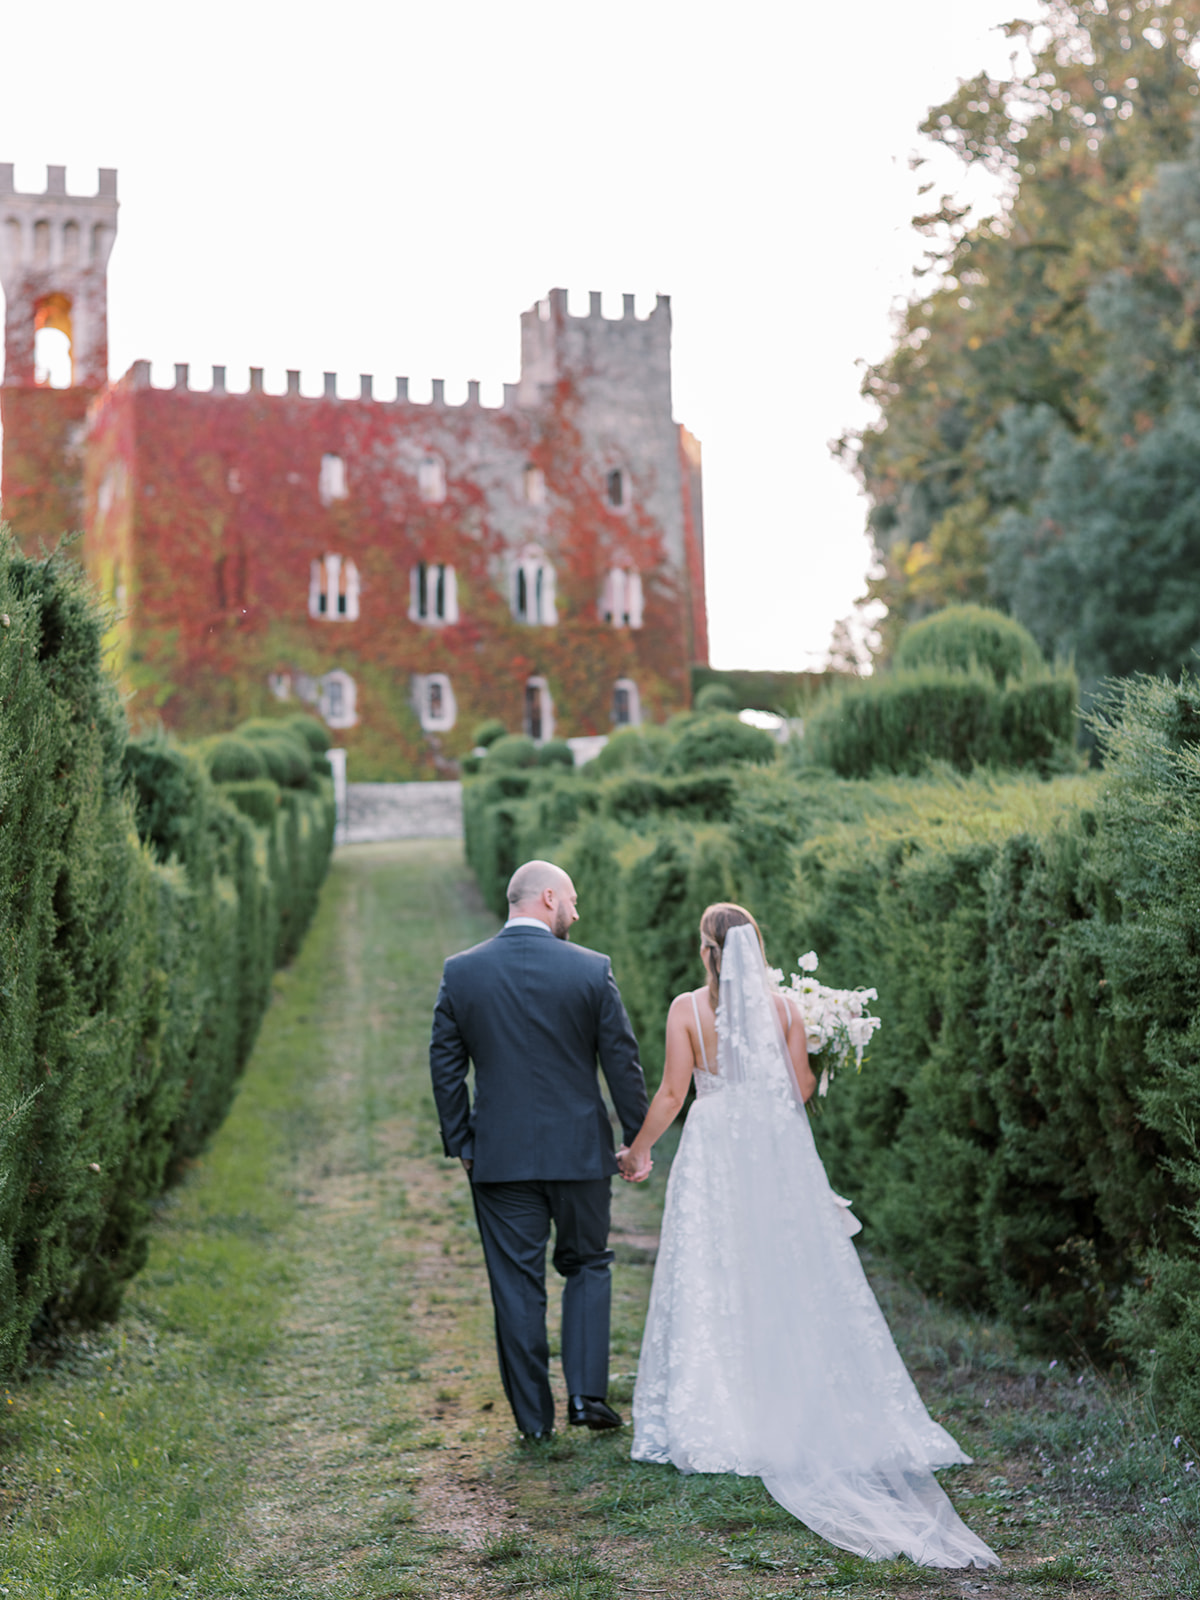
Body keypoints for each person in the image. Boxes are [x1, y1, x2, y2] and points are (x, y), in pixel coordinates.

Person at [620, 902, 999, 1570]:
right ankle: (792, 1399)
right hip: (768, 1152)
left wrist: (638, 1151)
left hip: (712, 1149)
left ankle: (722, 1410)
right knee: (779, 1274)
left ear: (709, 950)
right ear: (754, 947)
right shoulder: (789, 1010)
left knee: (713, 1275)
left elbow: (675, 1094)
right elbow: (795, 1090)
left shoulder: (687, 1009)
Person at [429, 859, 649, 1440]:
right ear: (548, 898)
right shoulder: (591, 970)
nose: (576, 913)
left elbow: (446, 1068)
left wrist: (463, 1143)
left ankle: (533, 1422)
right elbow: (621, 1062)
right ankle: (585, 1398)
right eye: (573, 901)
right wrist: (637, 1137)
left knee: (516, 1284)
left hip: (498, 1158)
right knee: (588, 1264)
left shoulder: (461, 973)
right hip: (579, 1153)